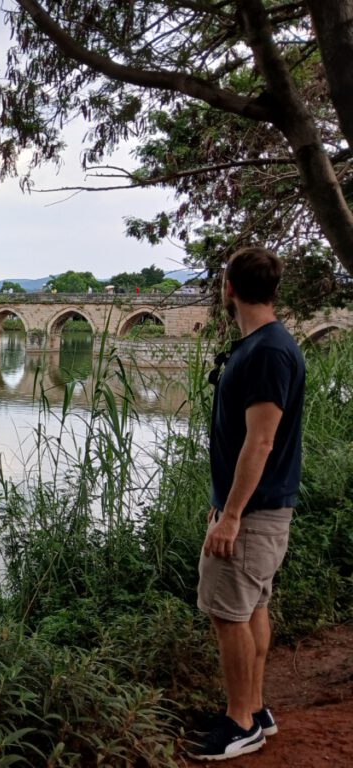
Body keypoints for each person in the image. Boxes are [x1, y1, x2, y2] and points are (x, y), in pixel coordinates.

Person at [187, 247, 306, 761]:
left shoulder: (267, 352)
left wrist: (232, 515)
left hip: (254, 513)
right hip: (256, 509)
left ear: (228, 288)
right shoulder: (265, 345)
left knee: (229, 614)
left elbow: (260, 442)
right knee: (253, 606)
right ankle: (254, 709)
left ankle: (239, 723)